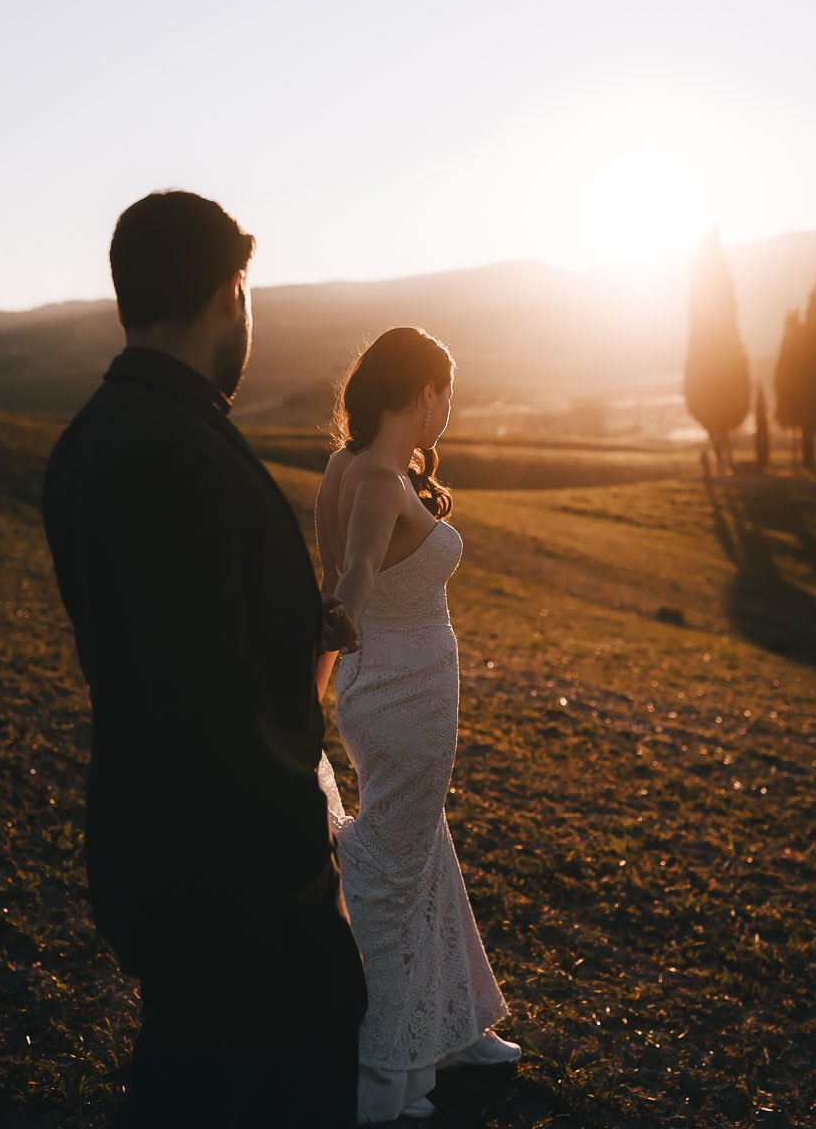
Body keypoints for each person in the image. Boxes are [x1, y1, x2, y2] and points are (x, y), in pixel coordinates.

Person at [41, 190, 366, 1127]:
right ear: (233, 292)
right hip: (234, 876)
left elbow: (154, 639)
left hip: (154, 846)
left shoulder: (88, 442)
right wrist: (301, 866)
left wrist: (296, 632)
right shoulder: (174, 451)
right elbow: (201, 697)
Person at [313, 327, 519, 1125]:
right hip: (403, 703)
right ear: (425, 393)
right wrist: (344, 626)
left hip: (385, 694)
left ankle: (456, 1024)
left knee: (424, 849)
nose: (448, 415)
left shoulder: (346, 466)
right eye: (448, 398)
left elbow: (345, 578)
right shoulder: (376, 480)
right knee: (388, 879)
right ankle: (379, 1073)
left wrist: (322, 683)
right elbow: (355, 575)